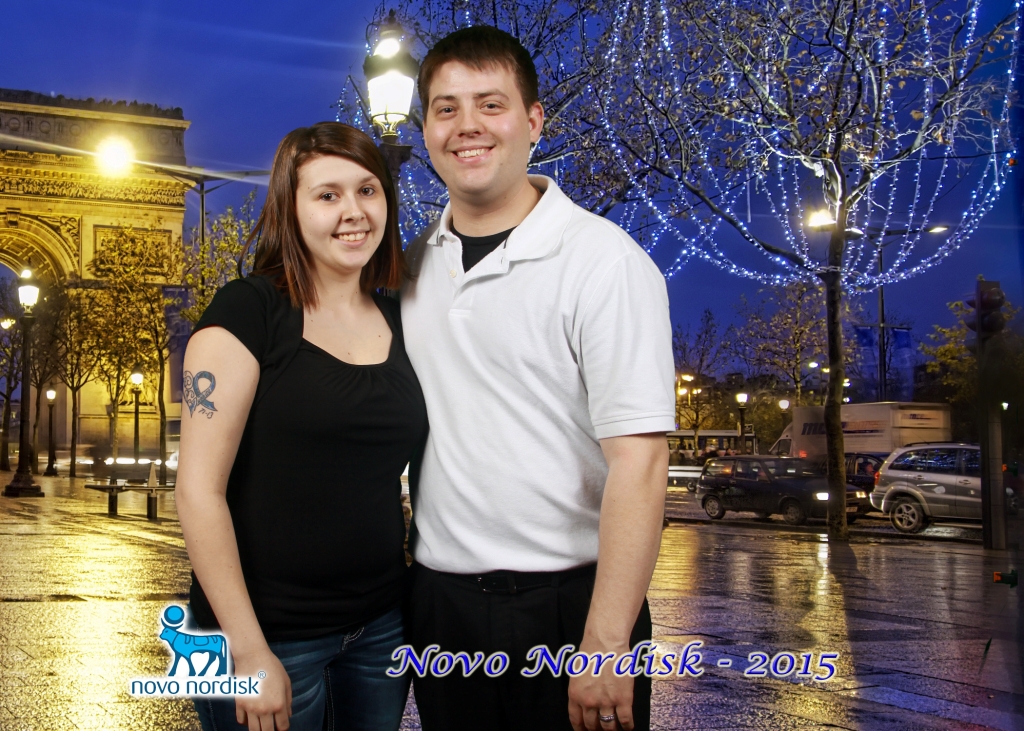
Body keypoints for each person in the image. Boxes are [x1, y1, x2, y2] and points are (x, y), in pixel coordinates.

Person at [399, 26, 675, 731]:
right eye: (446, 108)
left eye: (490, 104)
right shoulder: (409, 266)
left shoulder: (604, 263)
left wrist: (606, 641)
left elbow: (641, 463)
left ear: (533, 120)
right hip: (440, 607)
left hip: (570, 608)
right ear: (426, 130)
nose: (467, 125)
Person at [176, 122, 427, 731]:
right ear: (289, 209)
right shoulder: (248, 311)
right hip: (266, 634)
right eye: (327, 195)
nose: (353, 211)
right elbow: (198, 492)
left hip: (381, 628)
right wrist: (247, 650)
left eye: (368, 190)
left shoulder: (404, 316)